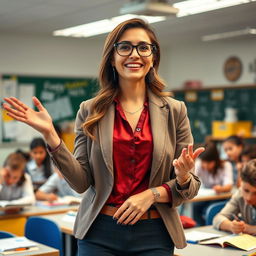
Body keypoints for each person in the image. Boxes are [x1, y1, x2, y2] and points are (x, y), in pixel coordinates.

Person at [3, 18, 204, 256]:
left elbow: (189, 189)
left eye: (143, 47)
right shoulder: (90, 110)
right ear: (112, 57)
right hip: (100, 232)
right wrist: (50, 135)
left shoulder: (175, 111)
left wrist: (159, 190)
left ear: (153, 58)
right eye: (125, 47)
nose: (135, 54)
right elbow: (80, 182)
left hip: (155, 232)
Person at [192, 143, 233, 225]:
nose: (206, 165)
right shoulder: (200, 164)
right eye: (204, 162)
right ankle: (198, 228)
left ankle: (208, 228)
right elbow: (192, 178)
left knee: (210, 210)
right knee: (195, 206)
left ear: (216, 160)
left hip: (221, 197)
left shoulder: (226, 165)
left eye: (209, 162)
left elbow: (229, 186)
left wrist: (221, 188)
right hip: (206, 197)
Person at [213, 159, 256, 235]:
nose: (249, 198)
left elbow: (248, 229)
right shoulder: (239, 194)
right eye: (246, 190)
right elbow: (217, 218)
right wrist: (231, 226)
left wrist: (250, 229)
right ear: (240, 181)